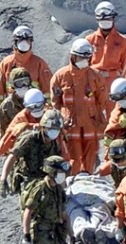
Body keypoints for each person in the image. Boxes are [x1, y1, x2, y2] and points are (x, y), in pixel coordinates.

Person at [50, 38, 108, 175]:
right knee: (71, 159)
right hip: (70, 126)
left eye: (86, 57)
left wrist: (96, 118)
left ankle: (88, 179)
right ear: (73, 56)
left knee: (91, 159)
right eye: (81, 57)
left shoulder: (96, 76)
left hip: (91, 124)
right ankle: (71, 183)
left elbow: (102, 100)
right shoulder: (60, 76)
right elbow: (55, 102)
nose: (84, 60)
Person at [0, 25, 52, 125]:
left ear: (31, 42)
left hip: (34, 110)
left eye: (27, 40)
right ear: (15, 42)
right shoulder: (6, 63)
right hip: (11, 110)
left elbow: (48, 89)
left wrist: (48, 109)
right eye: (20, 40)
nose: (24, 44)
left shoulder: (39, 64)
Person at [0, 109, 66, 199]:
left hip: (44, 182)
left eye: (57, 129)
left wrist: (62, 191)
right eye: (51, 129)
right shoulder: (29, 139)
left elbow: (59, 169)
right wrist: (3, 179)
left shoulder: (55, 145)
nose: (54, 132)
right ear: (44, 126)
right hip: (27, 181)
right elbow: (12, 157)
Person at [0, 88, 48, 179]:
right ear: (26, 106)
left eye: (39, 105)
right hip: (28, 155)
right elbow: (7, 139)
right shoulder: (20, 119)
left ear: (44, 103)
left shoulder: (50, 114)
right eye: (32, 107)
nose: (36, 109)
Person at [86, 1, 126, 117]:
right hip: (94, 80)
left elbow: (125, 65)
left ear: (114, 18)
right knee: (93, 112)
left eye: (108, 18)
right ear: (97, 19)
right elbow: (85, 64)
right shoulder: (89, 40)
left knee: (114, 114)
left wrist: (121, 84)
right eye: (102, 18)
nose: (105, 21)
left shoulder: (122, 41)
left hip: (113, 81)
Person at [0, 67, 32, 139]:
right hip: (16, 144)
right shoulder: (6, 105)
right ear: (13, 85)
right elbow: (3, 131)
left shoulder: (37, 98)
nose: (23, 86)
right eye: (19, 83)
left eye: (26, 81)